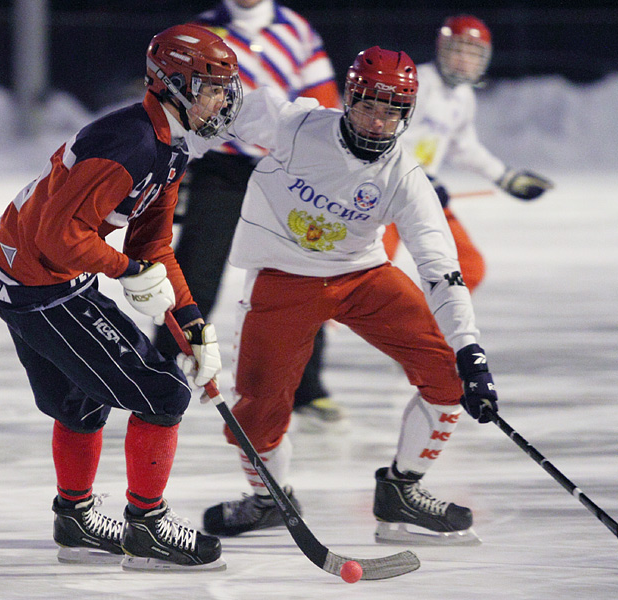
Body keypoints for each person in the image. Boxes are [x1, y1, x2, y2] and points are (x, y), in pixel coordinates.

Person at [193, 46, 498, 545]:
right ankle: (270, 499)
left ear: (408, 115)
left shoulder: (405, 177)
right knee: (258, 404)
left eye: (392, 112)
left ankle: (402, 491)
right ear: (349, 99)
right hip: (283, 280)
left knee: (449, 375)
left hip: (363, 276)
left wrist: (471, 350)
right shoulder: (296, 126)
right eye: (367, 108)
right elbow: (218, 104)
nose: (378, 123)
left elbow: (441, 270)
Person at [0, 24, 241, 571]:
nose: (223, 99)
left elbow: (154, 245)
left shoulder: (167, 144)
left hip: (31, 273)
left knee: (82, 397)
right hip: (37, 282)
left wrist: (189, 321)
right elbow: (59, 237)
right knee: (164, 393)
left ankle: (74, 520)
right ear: (174, 85)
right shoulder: (131, 146)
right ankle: (145, 528)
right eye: (212, 86)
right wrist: (124, 269)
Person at [152, 0, 346, 426]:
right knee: (195, 273)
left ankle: (307, 387)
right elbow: (170, 102)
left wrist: (332, 164)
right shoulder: (200, 30)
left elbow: (325, 101)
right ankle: (158, 368)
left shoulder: (297, 30)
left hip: (286, 171)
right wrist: (171, 166)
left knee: (302, 275)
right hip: (219, 168)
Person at [384, 14, 553, 290]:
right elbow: (387, 137)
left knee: (468, 266)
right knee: (364, 268)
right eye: (458, 50)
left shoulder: (463, 96)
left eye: (473, 53)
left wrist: (505, 177)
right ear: (442, 49)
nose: (464, 59)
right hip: (388, 192)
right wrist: (420, 177)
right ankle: (316, 324)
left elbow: (464, 147)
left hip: (424, 196)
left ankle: (429, 329)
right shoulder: (417, 83)